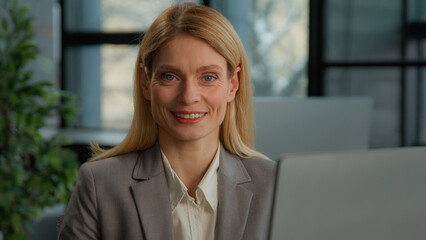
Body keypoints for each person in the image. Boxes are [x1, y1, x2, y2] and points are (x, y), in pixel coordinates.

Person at [58, 2, 276, 240]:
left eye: (208, 77)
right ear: (145, 82)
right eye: (169, 76)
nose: (188, 96)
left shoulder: (274, 186)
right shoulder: (100, 185)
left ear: (233, 84)